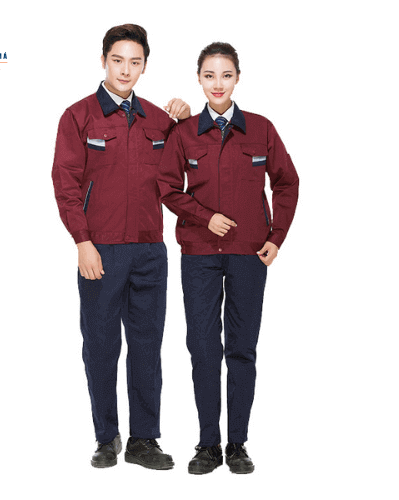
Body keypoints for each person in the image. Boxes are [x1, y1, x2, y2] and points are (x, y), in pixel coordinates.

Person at [52, 24, 190, 470]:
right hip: (101, 251)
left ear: (145, 65)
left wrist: (186, 120)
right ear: (103, 61)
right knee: (101, 346)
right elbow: (65, 184)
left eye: (135, 62)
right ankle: (106, 437)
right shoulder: (78, 117)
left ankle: (143, 440)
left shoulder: (158, 120)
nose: (125, 70)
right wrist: (82, 241)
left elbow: (189, 165)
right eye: (118, 60)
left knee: (147, 347)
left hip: (150, 250)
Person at [157, 42, 299, 474]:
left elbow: (287, 183)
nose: (217, 84)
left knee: (241, 348)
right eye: (209, 75)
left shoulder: (261, 129)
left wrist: (277, 236)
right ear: (199, 79)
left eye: (226, 75)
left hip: (249, 255)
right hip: (199, 254)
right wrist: (206, 217)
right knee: (203, 348)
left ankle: (237, 444)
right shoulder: (184, 133)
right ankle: (207, 445)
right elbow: (167, 187)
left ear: (237, 78)